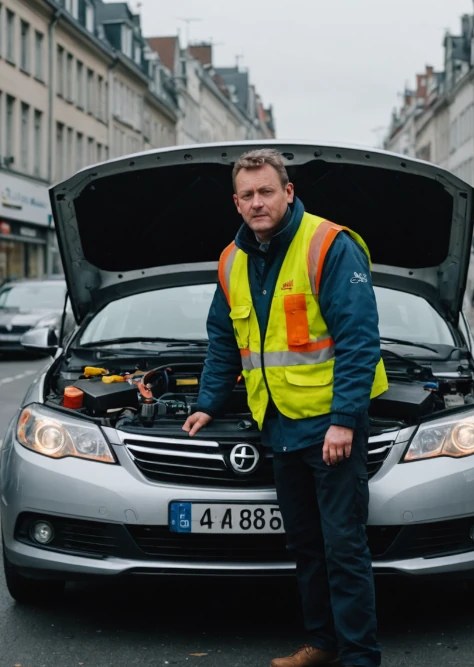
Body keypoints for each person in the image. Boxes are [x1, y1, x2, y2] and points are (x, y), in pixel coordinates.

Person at [182, 148, 385, 667]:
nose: (258, 202)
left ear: (288, 193)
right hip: (280, 426)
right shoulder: (232, 260)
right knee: (305, 545)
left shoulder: (328, 245)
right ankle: (322, 644)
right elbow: (224, 339)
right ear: (236, 202)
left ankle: (360, 658)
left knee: (343, 546)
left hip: (330, 427)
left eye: (267, 191)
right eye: (247, 195)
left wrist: (344, 421)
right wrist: (208, 403)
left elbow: (359, 340)